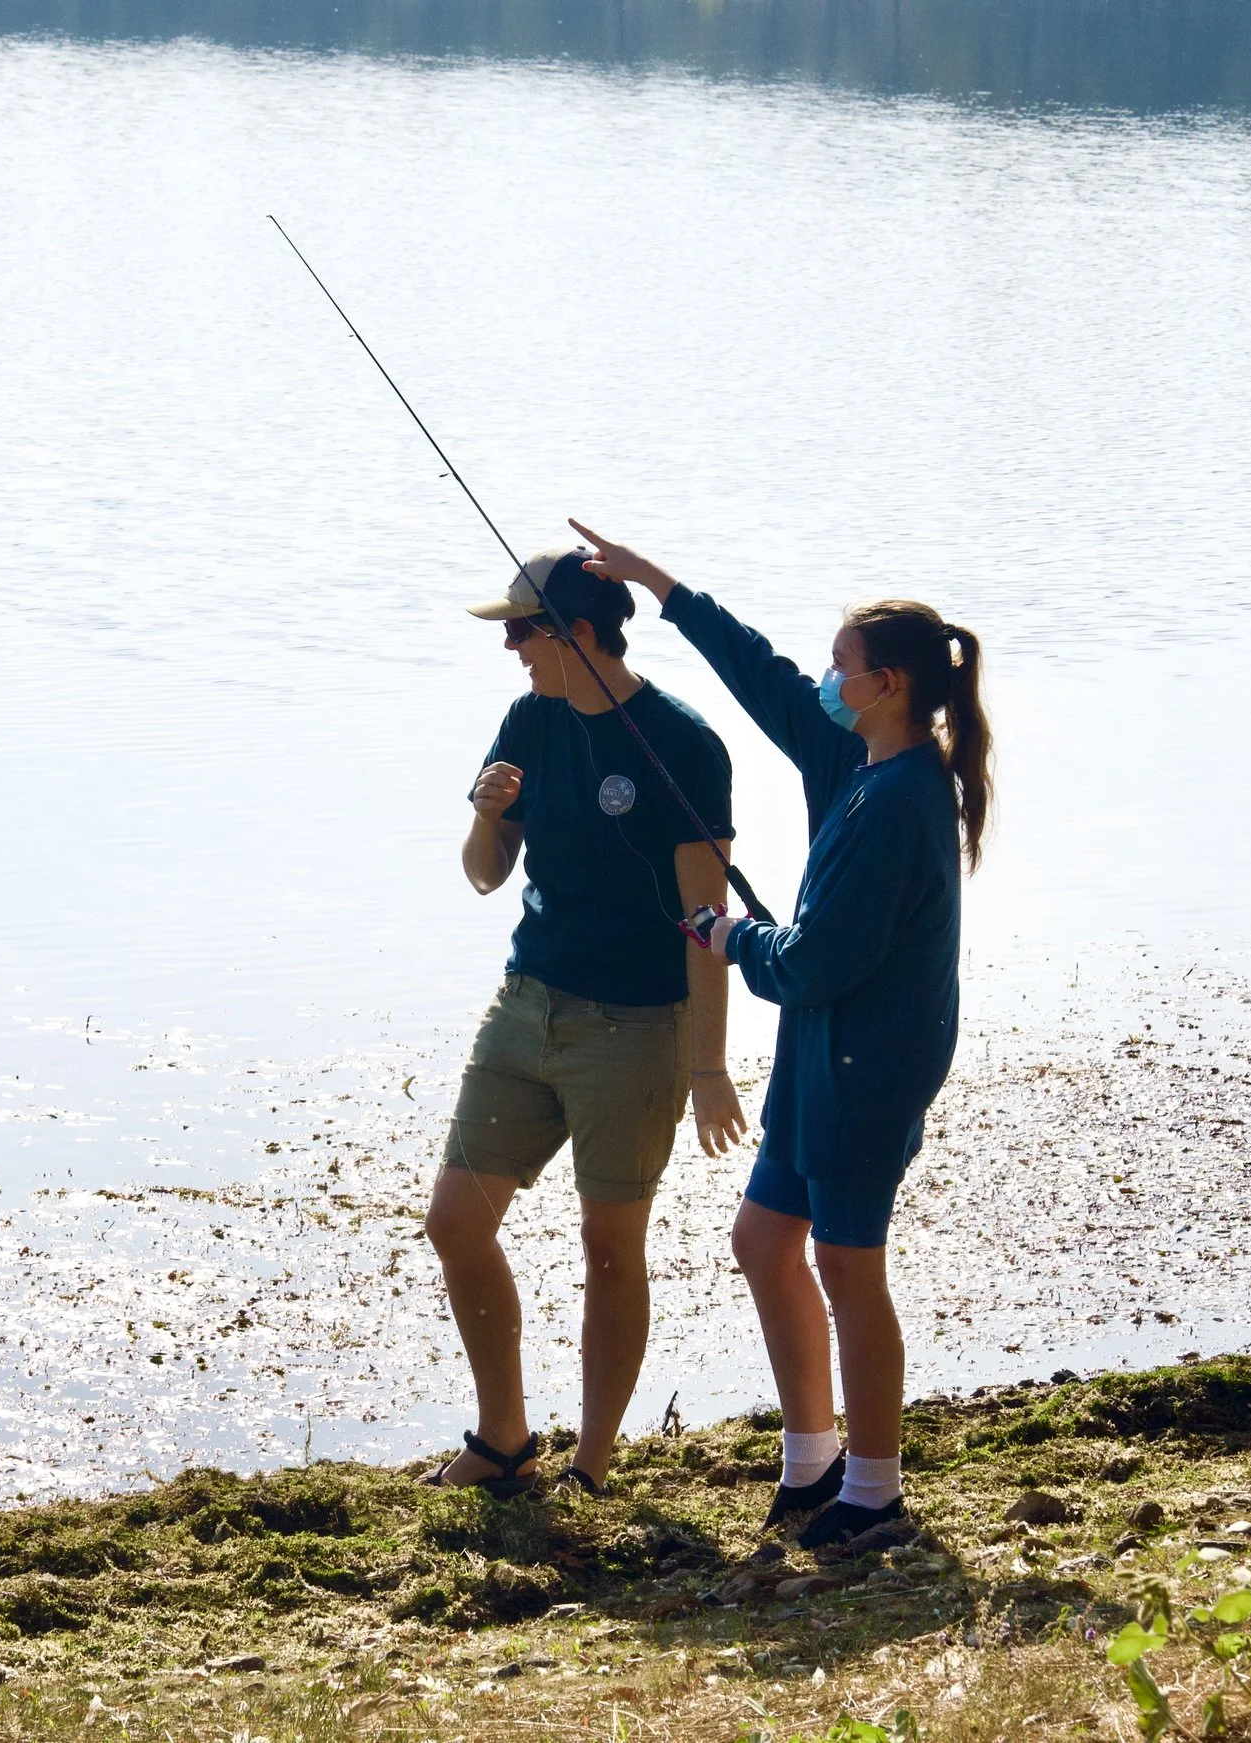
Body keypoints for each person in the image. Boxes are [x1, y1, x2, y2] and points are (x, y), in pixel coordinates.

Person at [569, 517, 991, 1547]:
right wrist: (661, 587)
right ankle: (813, 1465)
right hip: (820, 1052)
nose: (826, 677)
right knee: (763, 1241)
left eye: (840, 664)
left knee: (849, 1269)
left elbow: (818, 959)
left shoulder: (899, 799)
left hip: (868, 1065)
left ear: (886, 682)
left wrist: (730, 937)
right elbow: (761, 675)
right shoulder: (852, 753)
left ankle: (875, 1493)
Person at [424, 547, 748, 1499]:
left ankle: (593, 1462)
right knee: (455, 1222)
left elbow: (706, 920)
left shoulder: (683, 743)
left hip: (637, 1027)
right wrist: (487, 817)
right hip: (527, 1004)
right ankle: (504, 1438)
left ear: (576, 631)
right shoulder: (529, 718)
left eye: (523, 630)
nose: (512, 649)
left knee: (610, 1246)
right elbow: (486, 875)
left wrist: (709, 1067)